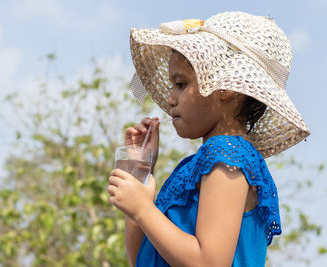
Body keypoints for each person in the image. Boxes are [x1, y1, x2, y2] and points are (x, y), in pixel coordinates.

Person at [107, 11, 310, 267]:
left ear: (226, 88)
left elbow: (209, 262)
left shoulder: (227, 155)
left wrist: (143, 210)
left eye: (180, 84)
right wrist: (140, 171)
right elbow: (141, 258)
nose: (171, 98)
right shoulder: (202, 162)